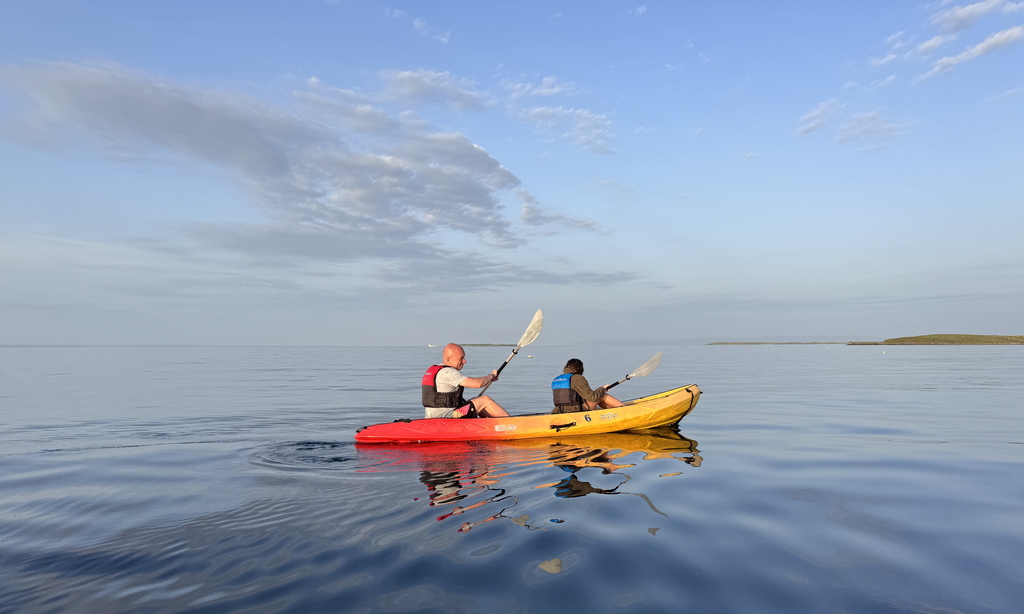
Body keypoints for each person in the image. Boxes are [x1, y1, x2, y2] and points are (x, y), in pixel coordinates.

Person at [422, 343, 511, 419]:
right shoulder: (449, 372)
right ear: (448, 359)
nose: (465, 361)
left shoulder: (434, 370)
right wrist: (491, 376)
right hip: (447, 417)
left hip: (432, 418)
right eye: (461, 358)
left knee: (475, 400)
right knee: (484, 400)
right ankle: (512, 424)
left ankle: (494, 424)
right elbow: (477, 384)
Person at [551, 358, 624, 414]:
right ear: (579, 369)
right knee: (602, 396)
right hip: (575, 410)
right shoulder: (577, 378)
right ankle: (625, 409)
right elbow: (592, 397)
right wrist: (602, 388)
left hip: (559, 410)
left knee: (599, 397)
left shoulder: (556, 379)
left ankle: (615, 411)